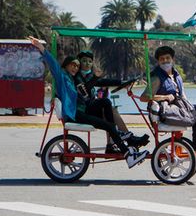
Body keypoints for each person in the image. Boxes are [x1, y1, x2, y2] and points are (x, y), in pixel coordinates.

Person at [28, 37, 149, 168]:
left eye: (76, 66)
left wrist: (121, 83)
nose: (75, 68)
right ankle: (128, 155)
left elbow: (101, 82)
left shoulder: (71, 79)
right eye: (72, 65)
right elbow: (53, 63)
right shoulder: (62, 76)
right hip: (75, 114)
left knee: (105, 103)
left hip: (80, 112)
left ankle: (119, 139)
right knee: (109, 126)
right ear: (65, 66)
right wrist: (41, 47)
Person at [140, 45, 196, 152]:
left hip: (180, 107)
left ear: (173, 59)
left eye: (167, 58)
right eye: (162, 59)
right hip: (167, 111)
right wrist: (165, 97)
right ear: (158, 61)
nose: (165, 61)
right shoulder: (156, 77)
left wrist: (189, 106)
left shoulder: (177, 75)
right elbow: (144, 98)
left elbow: (182, 95)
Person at [75, 50, 149, 153]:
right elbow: (86, 88)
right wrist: (96, 78)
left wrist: (121, 82)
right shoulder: (77, 77)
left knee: (111, 110)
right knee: (107, 104)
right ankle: (128, 138)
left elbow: (103, 82)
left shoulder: (89, 76)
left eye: (90, 61)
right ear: (79, 63)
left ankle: (113, 143)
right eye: (84, 61)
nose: (87, 64)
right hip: (84, 110)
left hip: (90, 108)